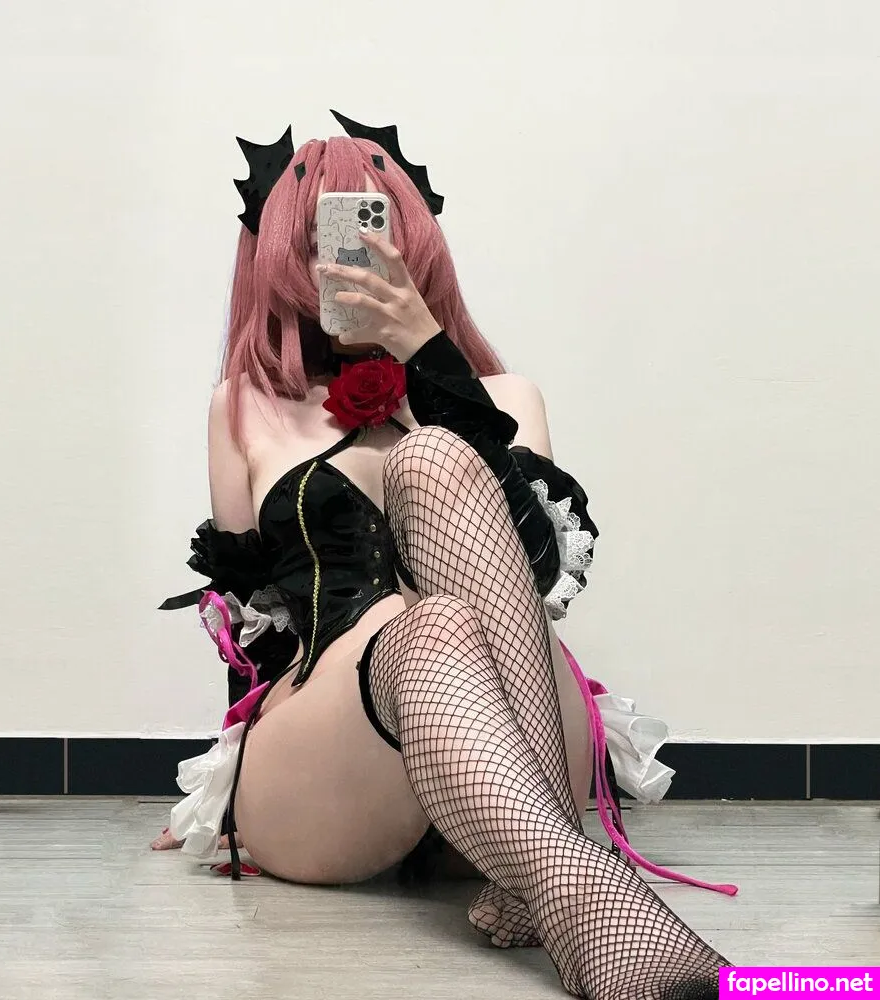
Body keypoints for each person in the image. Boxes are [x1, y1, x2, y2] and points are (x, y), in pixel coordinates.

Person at [156, 114, 733, 997]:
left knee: (434, 461)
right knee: (432, 626)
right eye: (320, 238)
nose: (346, 258)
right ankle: (591, 900)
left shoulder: (506, 396)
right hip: (335, 751)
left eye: (372, 229)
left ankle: (541, 879)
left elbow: (540, 575)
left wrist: (429, 358)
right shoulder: (246, 408)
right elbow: (249, 630)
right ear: (276, 255)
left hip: (516, 732)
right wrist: (213, 789)